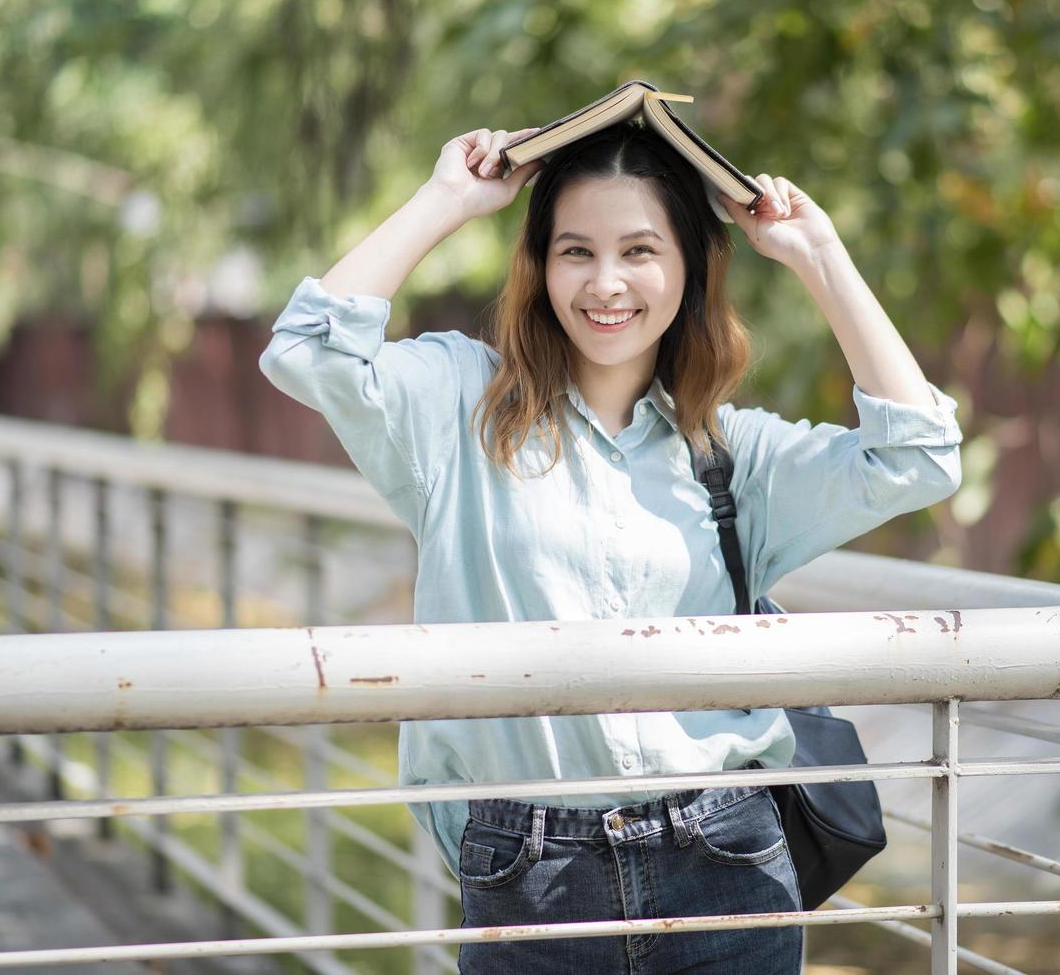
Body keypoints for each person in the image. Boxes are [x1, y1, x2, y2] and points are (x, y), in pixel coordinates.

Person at [260, 118, 963, 974]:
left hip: (724, 862)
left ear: (689, 269)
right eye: (575, 252)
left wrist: (818, 254)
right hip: (528, 870)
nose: (606, 284)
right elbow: (306, 350)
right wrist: (446, 200)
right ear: (540, 266)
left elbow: (920, 456)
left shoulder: (732, 456)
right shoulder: (457, 407)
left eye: (639, 251)